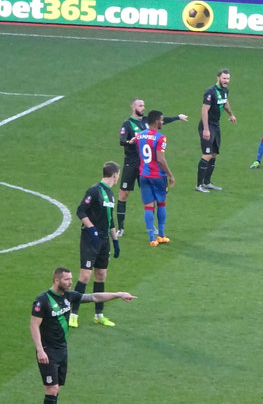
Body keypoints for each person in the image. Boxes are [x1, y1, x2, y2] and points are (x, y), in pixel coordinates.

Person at [31, 267, 136, 404]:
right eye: (66, 279)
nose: (70, 282)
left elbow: (94, 297)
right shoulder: (42, 301)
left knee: (57, 388)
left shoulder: (68, 295)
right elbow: (34, 325)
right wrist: (40, 350)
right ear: (57, 280)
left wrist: (119, 294)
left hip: (62, 349)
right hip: (47, 350)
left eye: (71, 279)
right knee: (52, 388)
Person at [117, 98, 186, 237]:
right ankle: (121, 227)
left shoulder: (147, 121)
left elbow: (162, 120)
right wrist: (128, 141)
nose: (143, 108)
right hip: (132, 163)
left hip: (145, 165)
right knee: (124, 194)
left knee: (150, 196)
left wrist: (177, 117)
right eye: (140, 106)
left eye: (143, 105)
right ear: (133, 107)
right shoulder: (127, 124)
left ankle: (152, 227)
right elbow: (121, 140)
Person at [68, 162, 121, 329]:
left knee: (101, 275)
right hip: (90, 239)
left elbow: (110, 220)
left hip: (104, 241)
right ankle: (72, 314)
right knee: (85, 276)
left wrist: (116, 240)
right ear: (115, 175)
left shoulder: (110, 194)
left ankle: (99, 315)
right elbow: (80, 210)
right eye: (118, 174)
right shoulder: (94, 190)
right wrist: (92, 230)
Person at [136, 110, 175, 246]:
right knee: (161, 203)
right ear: (157, 121)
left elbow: (133, 143)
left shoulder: (140, 135)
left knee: (148, 206)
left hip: (143, 175)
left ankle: (151, 238)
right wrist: (170, 175)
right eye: (162, 120)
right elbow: (160, 159)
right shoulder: (161, 138)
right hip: (157, 175)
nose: (163, 122)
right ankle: (161, 235)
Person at [196, 69, 236, 193]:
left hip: (216, 125)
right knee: (207, 154)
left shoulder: (225, 91)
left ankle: (207, 182)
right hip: (207, 126)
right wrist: (206, 129)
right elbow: (204, 110)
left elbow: (225, 102)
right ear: (218, 78)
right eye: (224, 78)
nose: (226, 81)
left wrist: (231, 114)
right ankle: (199, 185)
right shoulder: (210, 92)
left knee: (214, 154)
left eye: (228, 78)